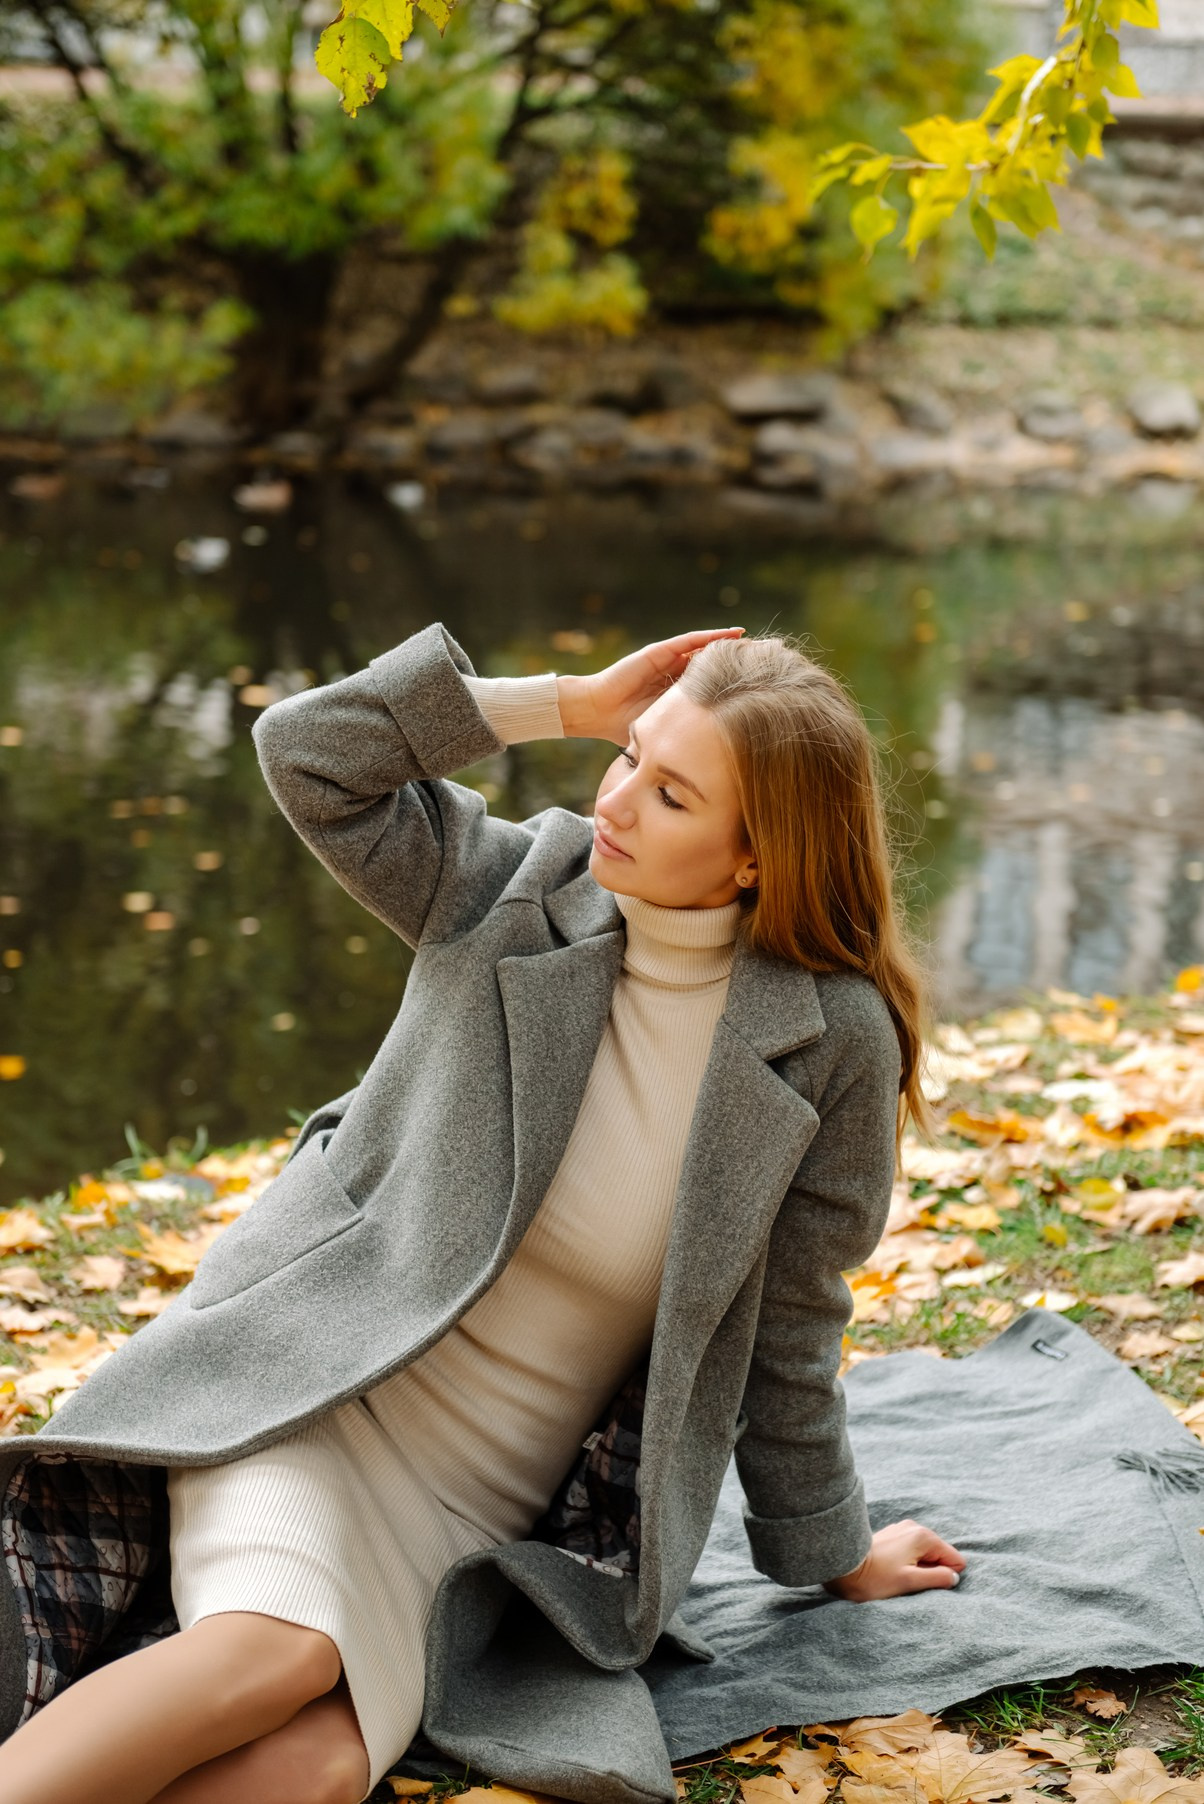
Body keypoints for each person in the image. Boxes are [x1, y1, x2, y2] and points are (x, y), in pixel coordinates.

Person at [0, 622, 964, 1804]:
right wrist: (564, 700)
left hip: (483, 1520)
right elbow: (307, 754)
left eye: (670, 793)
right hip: (316, 1387)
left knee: (319, 1761)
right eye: (627, 758)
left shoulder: (831, 1043)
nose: (616, 799)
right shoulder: (507, 887)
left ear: (756, 856)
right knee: (276, 1652)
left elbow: (791, 1328)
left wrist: (832, 1547)